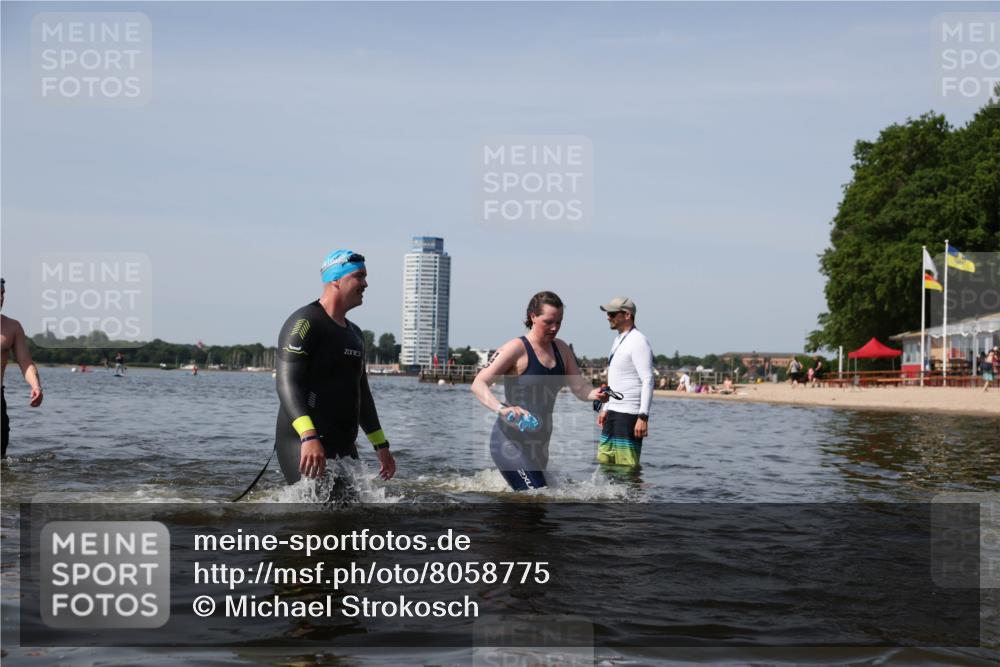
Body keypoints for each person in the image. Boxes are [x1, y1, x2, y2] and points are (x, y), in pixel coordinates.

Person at [273, 250, 396, 489]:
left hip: (344, 445)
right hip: (304, 442)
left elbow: (362, 396)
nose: (366, 284)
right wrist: (308, 436)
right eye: (359, 276)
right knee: (315, 519)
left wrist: (381, 446)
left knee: (353, 517)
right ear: (336, 280)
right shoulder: (305, 323)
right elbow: (287, 383)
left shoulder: (356, 335)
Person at [470, 291, 607, 491]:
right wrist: (502, 408)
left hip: (540, 445)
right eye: (549, 321)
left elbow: (580, 388)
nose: (554, 328)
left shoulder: (562, 350)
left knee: (537, 506)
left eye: (559, 322)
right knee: (536, 496)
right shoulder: (515, 348)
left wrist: (596, 393)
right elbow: (478, 383)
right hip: (509, 441)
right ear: (533, 317)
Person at [595, 297, 653, 467]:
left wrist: (643, 416)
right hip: (613, 411)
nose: (608, 317)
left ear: (627, 315)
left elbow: (648, 379)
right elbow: (616, 380)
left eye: (612, 313)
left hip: (629, 414)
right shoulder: (619, 339)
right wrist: (606, 407)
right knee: (605, 461)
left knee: (626, 467)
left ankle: (634, 494)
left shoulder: (638, 340)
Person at [1, 279, 44, 458]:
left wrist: (36, 386)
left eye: (2, 293)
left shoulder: (12, 327)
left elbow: (25, 362)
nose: (1, 298)